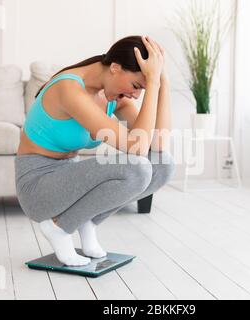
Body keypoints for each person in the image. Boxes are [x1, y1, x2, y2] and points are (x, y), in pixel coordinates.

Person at [14, 35, 175, 266]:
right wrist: (154, 84)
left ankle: (86, 221)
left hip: (70, 183)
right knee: (137, 167)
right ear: (115, 68)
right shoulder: (69, 88)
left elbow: (158, 145)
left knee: (163, 164)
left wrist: (163, 82)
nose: (136, 95)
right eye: (137, 86)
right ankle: (59, 228)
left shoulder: (112, 95)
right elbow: (136, 149)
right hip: (38, 189)